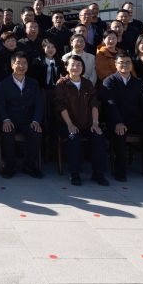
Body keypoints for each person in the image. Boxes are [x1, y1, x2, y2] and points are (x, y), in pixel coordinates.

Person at [101, 54, 143, 181]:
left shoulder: (138, 82)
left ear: (131, 65)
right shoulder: (109, 81)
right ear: (115, 65)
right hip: (116, 121)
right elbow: (110, 103)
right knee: (119, 135)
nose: (124, 65)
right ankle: (120, 171)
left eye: (128, 62)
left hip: (134, 120)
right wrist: (118, 122)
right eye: (121, 62)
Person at [54, 54, 109, 186]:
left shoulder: (87, 83)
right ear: (67, 67)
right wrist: (70, 124)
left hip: (87, 123)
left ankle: (98, 173)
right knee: (74, 138)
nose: (76, 67)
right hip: (67, 124)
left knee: (98, 137)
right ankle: (75, 173)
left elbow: (94, 104)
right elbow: (60, 106)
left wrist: (95, 123)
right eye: (72, 65)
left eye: (79, 65)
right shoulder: (62, 84)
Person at [0, 52, 44, 179]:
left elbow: (39, 104)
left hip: (28, 120)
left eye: (24, 63)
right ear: (12, 65)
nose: (21, 66)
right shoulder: (4, 84)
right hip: (10, 120)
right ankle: (10, 166)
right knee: (7, 132)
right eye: (18, 63)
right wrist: (5, 119)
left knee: (36, 132)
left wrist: (36, 121)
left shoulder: (33, 83)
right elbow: (0, 105)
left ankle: (29, 165)